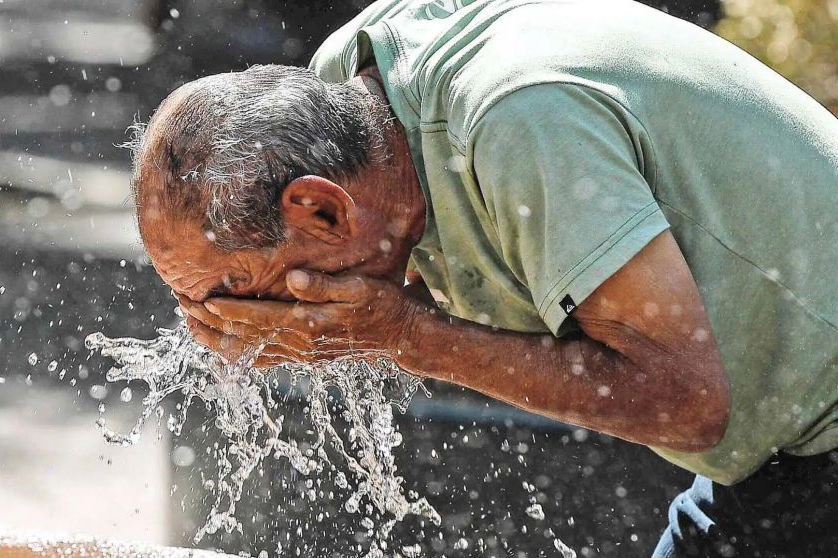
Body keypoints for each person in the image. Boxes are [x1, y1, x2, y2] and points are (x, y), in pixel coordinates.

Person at [129, 0, 838, 555]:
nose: (222, 326)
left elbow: (686, 402)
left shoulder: (519, 128)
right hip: (778, 456)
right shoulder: (363, 96)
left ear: (322, 209)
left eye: (232, 290)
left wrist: (406, 336)